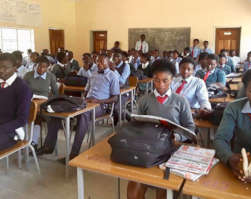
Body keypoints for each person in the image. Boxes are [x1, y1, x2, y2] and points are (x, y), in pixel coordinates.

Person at [127, 59, 195, 199]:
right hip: (148, 148)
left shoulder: (180, 101)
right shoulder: (144, 100)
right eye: (157, 80)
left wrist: (178, 137)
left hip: (171, 150)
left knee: (163, 189)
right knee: (133, 190)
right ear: (152, 79)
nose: (161, 85)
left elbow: (190, 126)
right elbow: (136, 124)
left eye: (165, 80)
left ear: (172, 80)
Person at [37, 54, 120, 160]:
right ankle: (48, 146)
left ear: (108, 63)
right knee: (59, 111)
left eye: (101, 62)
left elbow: (115, 98)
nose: (98, 64)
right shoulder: (93, 74)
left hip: (101, 105)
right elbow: (86, 90)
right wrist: (83, 98)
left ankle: (73, 154)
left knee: (84, 115)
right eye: (97, 62)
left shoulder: (113, 76)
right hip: (86, 102)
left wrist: (98, 101)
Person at [24, 56, 59, 148]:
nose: (41, 69)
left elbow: (56, 93)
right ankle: (31, 142)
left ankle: (36, 143)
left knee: (39, 116)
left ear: (47, 67)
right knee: (35, 115)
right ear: (35, 65)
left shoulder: (51, 76)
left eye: (44, 67)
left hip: (45, 105)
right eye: (39, 66)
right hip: (30, 104)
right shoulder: (28, 75)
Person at [0, 53, 33, 150]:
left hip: (11, 130)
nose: (1, 70)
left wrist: (2, 129)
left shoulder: (22, 88)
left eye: (5, 67)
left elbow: (22, 119)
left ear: (15, 68)